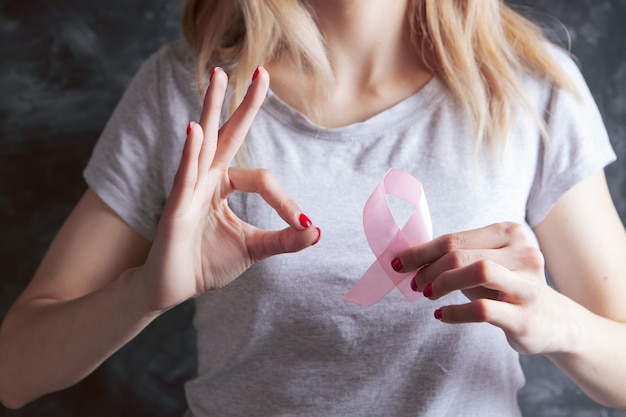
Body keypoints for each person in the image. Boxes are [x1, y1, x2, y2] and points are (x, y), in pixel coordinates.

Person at [1, 0, 625, 415]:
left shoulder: (531, 91)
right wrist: (143, 294)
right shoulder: (189, 91)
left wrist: (553, 320)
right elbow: (13, 369)